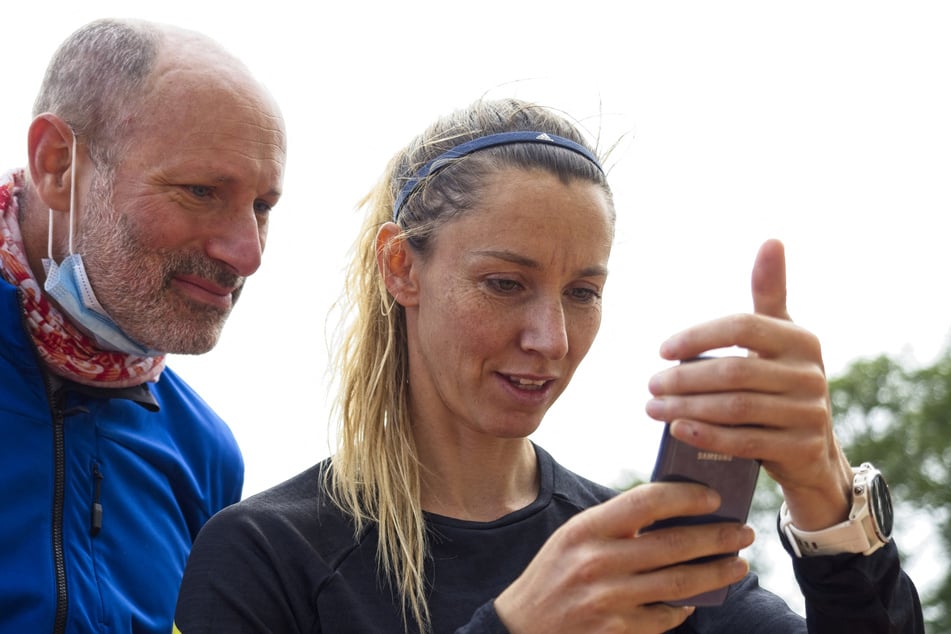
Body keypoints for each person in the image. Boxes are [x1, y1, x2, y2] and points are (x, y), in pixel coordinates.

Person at [174, 98, 921, 633]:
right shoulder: (268, 552)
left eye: (582, 292)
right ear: (401, 267)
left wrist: (825, 497)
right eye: (505, 284)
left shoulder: (633, 555)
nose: (552, 338)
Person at [0, 18, 285, 633]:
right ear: (56, 164)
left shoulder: (203, 452)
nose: (248, 254)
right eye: (202, 191)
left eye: (263, 207)